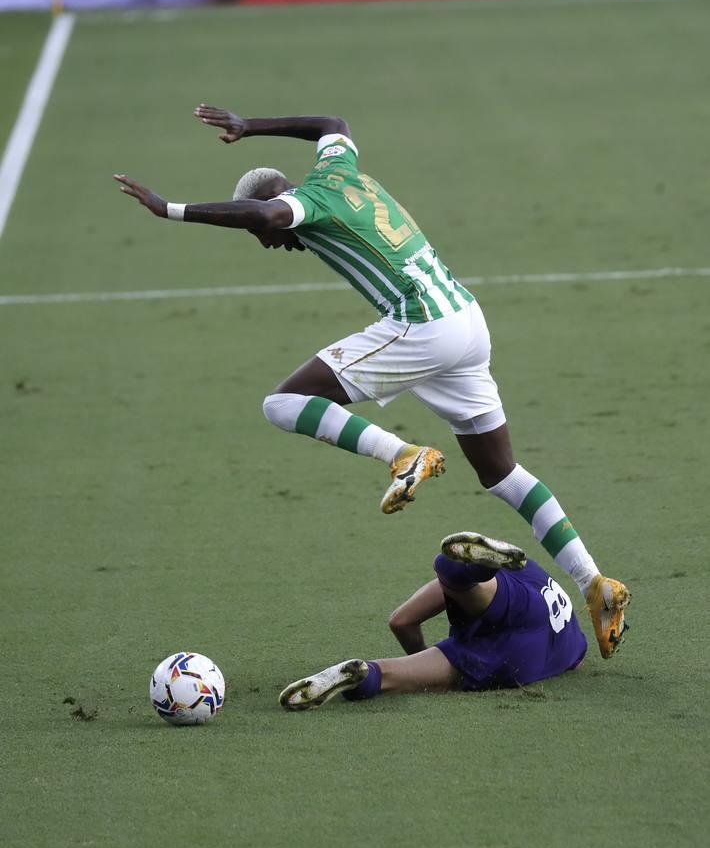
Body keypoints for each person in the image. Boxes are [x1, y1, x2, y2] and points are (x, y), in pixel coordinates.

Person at [113, 106, 630, 657]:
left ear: (271, 200)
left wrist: (168, 208)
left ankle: (402, 454)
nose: (274, 244)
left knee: (283, 402)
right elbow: (332, 123)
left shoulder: (300, 205)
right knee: (502, 473)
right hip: (467, 319)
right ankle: (594, 583)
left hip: (423, 324)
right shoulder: (339, 169)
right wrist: (252, 126)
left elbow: (265, 218)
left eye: (266, 234)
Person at [279, 530, 603, 711]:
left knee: (460, 586)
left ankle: (366, 672)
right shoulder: (574, 639)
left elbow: (401, 622)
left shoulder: (515, 575)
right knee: (466, 593)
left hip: (513, 613)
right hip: (540, 654)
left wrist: (422, 658)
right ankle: (362, 677)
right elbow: (574, 660)